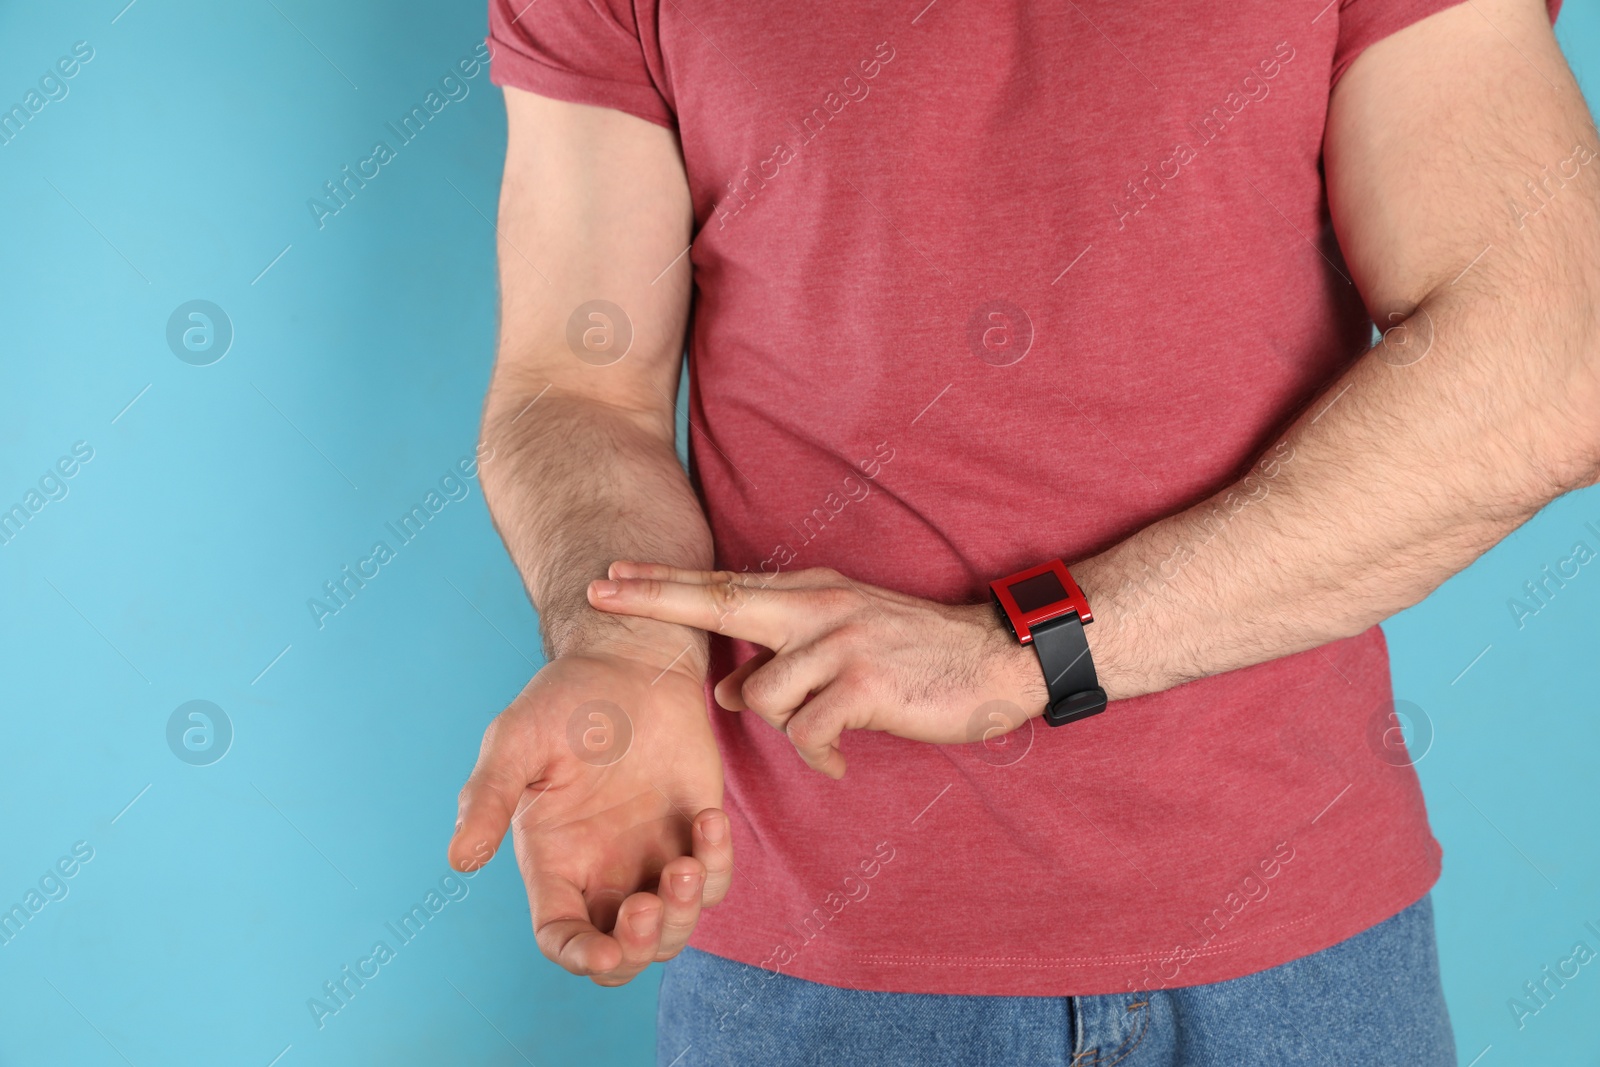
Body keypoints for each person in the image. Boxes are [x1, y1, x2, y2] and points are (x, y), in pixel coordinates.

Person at [446, 0, 1596, 1061]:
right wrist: (627, 641)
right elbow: (575, 386)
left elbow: (1550, 353)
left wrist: (1026, 650)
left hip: (1293, 949)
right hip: (805, 954)